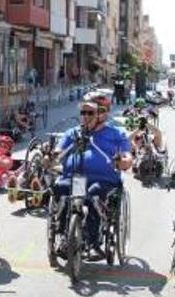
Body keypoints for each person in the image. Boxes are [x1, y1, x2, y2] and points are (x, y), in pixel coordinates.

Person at [50, 91, 132, 261]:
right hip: (75, 177)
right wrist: (50, 156)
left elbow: (127, 156)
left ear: (103, 113)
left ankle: (93, 244)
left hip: (104, 180)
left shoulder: (116, 133)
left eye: (91, 112)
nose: (86, 116)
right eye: (83, 112)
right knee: (61, 188)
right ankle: (63, 236)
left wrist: (124, 161)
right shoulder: (73, 133)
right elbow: (58, 151)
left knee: (94, 194)